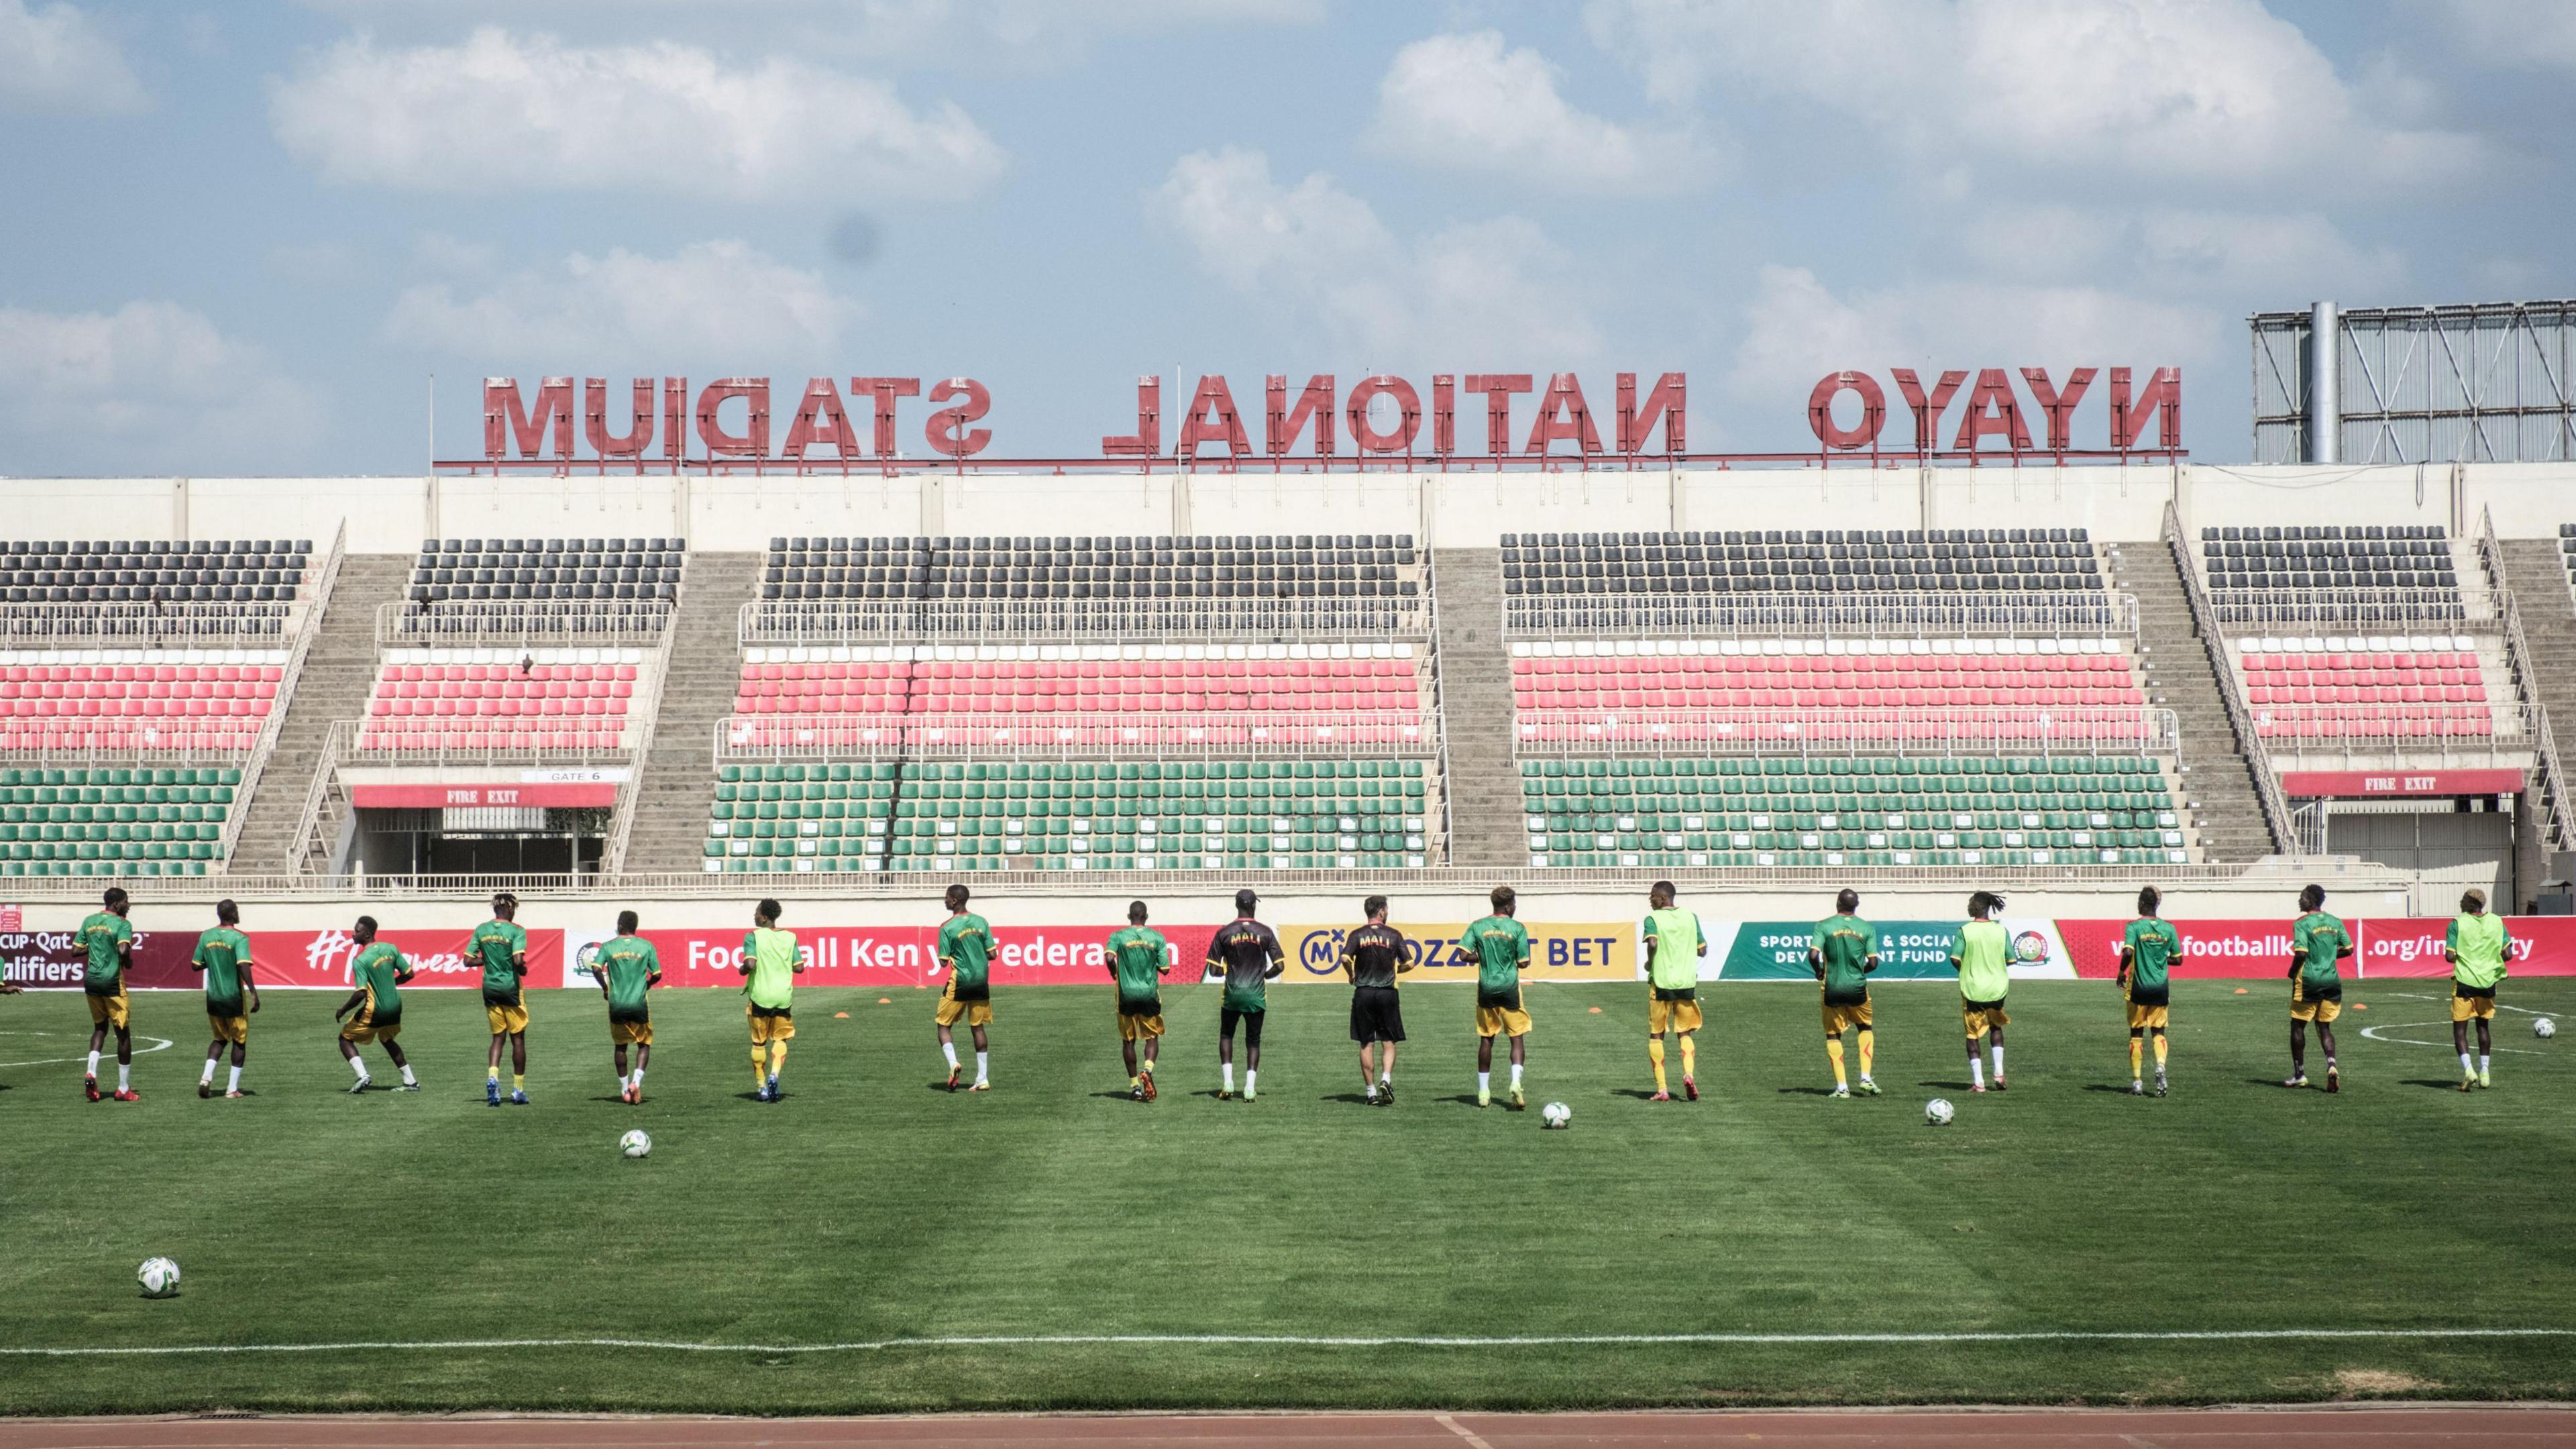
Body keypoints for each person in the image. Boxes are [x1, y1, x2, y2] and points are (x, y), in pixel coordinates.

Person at [1205, 888, 1284, 1102]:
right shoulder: (1265, 932)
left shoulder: (1224, 932)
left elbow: (1212, 970)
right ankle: (1249, 1088)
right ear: (1254, 906)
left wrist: (1229, 971)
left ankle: (1228, 1083)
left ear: (1236, 905)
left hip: (1232, 994)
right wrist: (1264, 975)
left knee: (1226, 1035)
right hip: (1256, 994)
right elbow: (1280, 965)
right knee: (1253, 1041)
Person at [1340, 894, 1412, 1106]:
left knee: (1366, 1043)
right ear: (1381, 911)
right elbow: (1410, 963)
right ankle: (1386, 1079)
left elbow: (1344, 958)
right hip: (1388, 993)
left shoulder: (1356, 935)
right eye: (1386, 910)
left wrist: (1351, 974)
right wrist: (1396, 969)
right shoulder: (1394, 935)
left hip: (1363, 993)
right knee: (1389, 1041)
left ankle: (1371, 1092)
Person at [1807, 888, 1880, 1099]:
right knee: (1865, 1027)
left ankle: (1842, 1088)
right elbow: (1874, 963)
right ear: (1856, 906)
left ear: (1838, 903)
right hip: (1858, 988)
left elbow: (1813, 955)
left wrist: (1819, 971)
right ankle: (1865, 1077)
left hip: (1832, 987)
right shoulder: (1866, 928)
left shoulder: (1824, 926)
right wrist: (1859, 972)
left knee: (1833, 1035)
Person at [333, 916, 419, 1093]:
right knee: (387, 1039)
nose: (353, 933)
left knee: (345, 1039)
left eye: (357, 931)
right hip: (395, 1007)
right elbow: (409, 974)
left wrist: (343, 1009)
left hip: (376, 1009)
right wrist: (390, 983)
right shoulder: (391, 949)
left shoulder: (361, 960)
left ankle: (363, 1076)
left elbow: (361, 993)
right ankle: (411, 1082)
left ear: (367, 934)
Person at [1464, 888, 1532, 1110]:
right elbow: (1524, 962)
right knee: (1517, 1038)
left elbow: (1463, 954)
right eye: (1514, 904)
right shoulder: (1517, 928)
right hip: (1510, 988)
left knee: (1486, 1039)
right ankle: (1516, 1083)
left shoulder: (1478, 926)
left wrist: (1483, 956)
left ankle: (1484, 1092)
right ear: (1508, 906)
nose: (1515, 907)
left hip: (1486, 988)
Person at [1643, 880, 1709, 1102]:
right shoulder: (1691, 917)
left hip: (1661, 984)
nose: (1650, 900)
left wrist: (1650, 962)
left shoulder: (1653, 919)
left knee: (1657, 1035)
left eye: (1652, 896)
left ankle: (1662, 1089)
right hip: (1686, 984)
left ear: (1663, 898)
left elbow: (1652, 943)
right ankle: (1688, 1074)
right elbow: (1703, 950)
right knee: (1685, 1033)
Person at [2286, 883, 2354, 1092]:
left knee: (2297, 1026)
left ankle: (2300, 1074)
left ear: (2311, 900)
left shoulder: (2302, 923)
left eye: (2302, 897)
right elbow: (2349, 949)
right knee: (2324, 1027)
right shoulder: (2335, 922)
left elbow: (2301, 953)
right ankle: (2332, 1064)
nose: (2300, 900)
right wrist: (2330, 956)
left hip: (2309, 980)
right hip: (2332, 980)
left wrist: (2291, 972)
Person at [2445, 888, 2513, 1091]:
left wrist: (2468, 957)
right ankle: (2485, 1073)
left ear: (2472, 904)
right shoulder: (2497, 922)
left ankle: (2468, 1071)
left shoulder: (2457, 923)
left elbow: (2449, 957)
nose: (2461, 902)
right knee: (2483, 1028)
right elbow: (2508, 954)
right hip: (2488, 982)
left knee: (2460, 1030)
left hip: (2465, 982)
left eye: (2464, 900)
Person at [191, 899, 259, 1099]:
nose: (238, 913)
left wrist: (213, 960)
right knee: (239, 1041)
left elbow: (195, 965)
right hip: (233, 998)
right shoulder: (239, 938)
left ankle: (206, 1078)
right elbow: (243, 966)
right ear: (231, 914)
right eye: (237, 910)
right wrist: (254, 993)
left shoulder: (206, 936)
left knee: (220, 1039)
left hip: (213, 997)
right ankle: (232, 1089)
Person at [593, 910, 662, 1104]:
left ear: (620, 926)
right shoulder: (647, 946)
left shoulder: (608, 947)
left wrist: (606, 988)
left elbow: (596, 968)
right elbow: (657, 974)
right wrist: (646, 985)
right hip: (639, 1003)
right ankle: (636, 1082)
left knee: (620, 1046)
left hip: (617, 1004)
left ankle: (624, 1090)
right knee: (644, 1043)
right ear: (635, 927)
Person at [2118, 886, 2180, 1097]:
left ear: (2142, 904)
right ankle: (2161, 1066)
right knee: (2158, 1032)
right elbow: (2179, 959)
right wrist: (2162, 958)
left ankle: (2137, 1082)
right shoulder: (2169, 928)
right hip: (2160, 988)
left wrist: (2120, 972)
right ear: (2156, 904)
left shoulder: (2134, 927)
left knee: (2136, 1034)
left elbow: (2128, 951)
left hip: (2138, 988)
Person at [1105, 900, 1169, 1101]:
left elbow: (1108, 958)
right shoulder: (1157, 937)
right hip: (1149, 994)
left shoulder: (1118, 936)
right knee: (1152, 1037)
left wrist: (1115, 972)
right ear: (1146, 917)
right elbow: (1165, 969)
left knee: (1128, 1041)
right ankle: (1148, 1070)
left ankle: (1135, 1088)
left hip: (1126, 995)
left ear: (1129, 917)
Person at [1950, 892, 2013, 1093]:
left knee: (1972, 1035)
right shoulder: (2001, 931)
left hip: (1973, 990)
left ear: (1976, 907)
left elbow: (1955, 958)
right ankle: (1999, 1073)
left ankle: (1979, 1083)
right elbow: (2011, 959)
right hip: (1997, 988)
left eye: (1970, 903)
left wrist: (1967, 971)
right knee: (1995, 1028)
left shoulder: (1965, 931)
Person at [80, 885, 138, 1102]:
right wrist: (128, 960)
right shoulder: (122, 924)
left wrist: (97, 945)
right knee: (122, 1032)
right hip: (112, 982)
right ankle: (123, 1088)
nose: (129, 905)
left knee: (99, 1028)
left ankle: (91, 1072)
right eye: (126, 901)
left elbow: (75, 950)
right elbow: (123, 950)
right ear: (116, 904)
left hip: (92, 981)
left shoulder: (90, 921)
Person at [739, 898, 801, 1102]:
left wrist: (742, 970)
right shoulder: (790, 937)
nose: (754, 915)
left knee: (759, 1043)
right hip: (783, 997)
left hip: (760, 997)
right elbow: (799, 967)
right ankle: (775, 1073)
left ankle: (762, 1087)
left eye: (757, 912)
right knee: (780, 1039)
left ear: (764, 917)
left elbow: (749, 964)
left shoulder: (753, 937)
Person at [934, 883, 995, 1092]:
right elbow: (993, 954)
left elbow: (943, 962)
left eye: (946, 897)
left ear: (954, 901)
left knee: (943, 1026)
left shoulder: (947, 927)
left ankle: (953, 1064)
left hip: (961, 981)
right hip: (981, 981)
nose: (944, 901)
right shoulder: (981, 921)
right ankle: (983, 1079)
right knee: (977, 1027)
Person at [474, 892, 532, 1107]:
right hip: (510, 988)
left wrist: (488, 959)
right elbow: (518, 959)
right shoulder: (517, 930)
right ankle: (518, 1090)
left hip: (489, 988)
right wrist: (523, 968)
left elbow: (468, 960)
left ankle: (493, 1078)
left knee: (497, 1038)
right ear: (509, 908)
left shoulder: (481, 929)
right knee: (518, 1039)